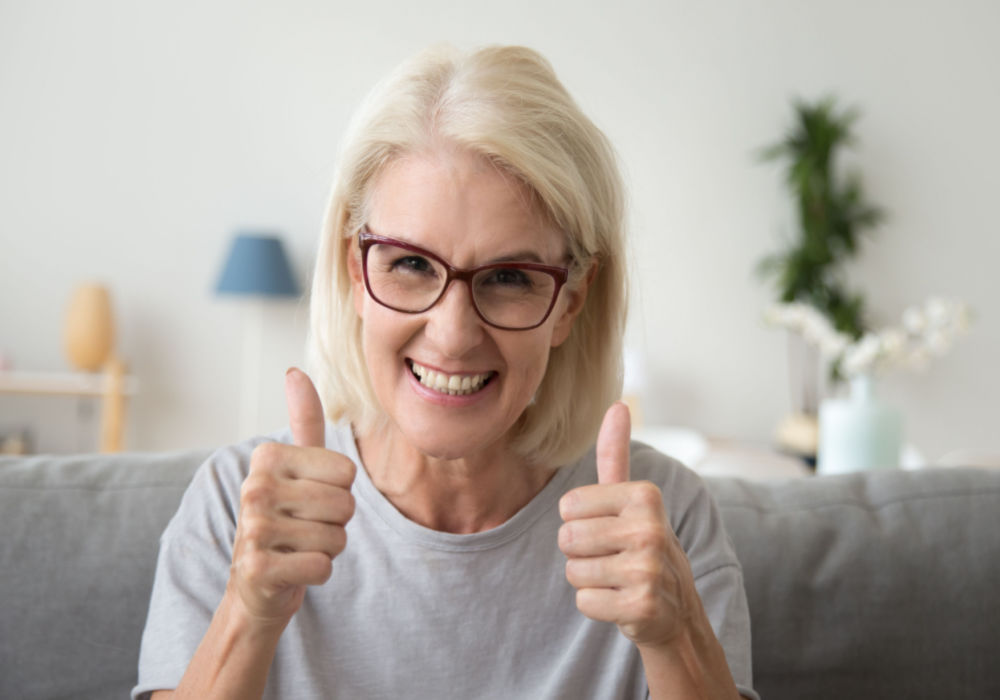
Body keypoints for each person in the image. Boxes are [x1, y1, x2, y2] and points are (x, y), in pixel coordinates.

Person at [133, 45, 758, 700]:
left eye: (510, 277)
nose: (454, 334)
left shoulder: (665, 519)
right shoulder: (236, 505)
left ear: (570, 302)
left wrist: (674, 636)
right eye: (409, 265)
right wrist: (248, 612)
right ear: (355, 271)